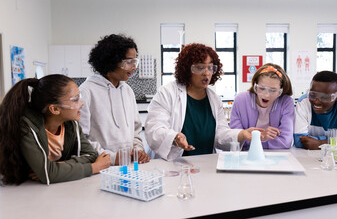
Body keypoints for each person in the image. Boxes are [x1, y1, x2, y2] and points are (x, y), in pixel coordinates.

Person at [145, 43, 262, 161]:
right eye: (200, 68)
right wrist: (175, 137)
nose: (206, 73)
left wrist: (242, 134)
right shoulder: (167, 93)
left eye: (210, 68)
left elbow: (220, 135)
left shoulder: (214, 100)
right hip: (173, 165)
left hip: (205, 164)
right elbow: (154, 129)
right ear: (187, 69)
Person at [0, 75, 111, 185]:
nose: (82, 103)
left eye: (80, 97)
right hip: (12, 190)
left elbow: (91, 155)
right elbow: (48, 174)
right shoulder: (27, 127)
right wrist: (93, 168)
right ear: (55, 109)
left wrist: (60, 167)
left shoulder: (71, 124)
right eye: (75, 99)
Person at [79, 34, 150, 165]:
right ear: (111, 61)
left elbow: (135, 130)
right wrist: (112, 158)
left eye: (135, 61)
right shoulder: (86, 91)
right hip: (100, 167)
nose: (134, 67)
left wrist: (138, 151)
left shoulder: (127, 90)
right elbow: (81, 139)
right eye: (128, 62)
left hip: (129, 165)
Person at [230, 63, 294, 150]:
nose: (266, 95)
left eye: (273, 90)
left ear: (280, 91)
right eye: (261, 88)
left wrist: (253, 141)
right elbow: (235, 139)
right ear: (255, 85)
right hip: (245, 156)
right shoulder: (241, 100)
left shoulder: (286, 102)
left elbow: (285, 142)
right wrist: (261, 138)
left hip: (275, 157)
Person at [294, 71, 337, 149]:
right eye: (313, 95)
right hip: (307, 155)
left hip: (336, 156)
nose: (316, 101)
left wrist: (319, 143)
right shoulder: (304, 102)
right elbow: (299, 141)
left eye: (324, 97)